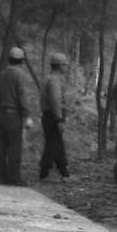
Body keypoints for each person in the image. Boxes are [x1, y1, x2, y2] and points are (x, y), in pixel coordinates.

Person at [0, 46, 35, 185]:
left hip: (1, 115)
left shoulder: (1, 75)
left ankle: (1, 176)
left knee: (1, 147)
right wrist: (27, 115)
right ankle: (14, 178)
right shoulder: (19, 76)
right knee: (14, 147)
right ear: (21, 61)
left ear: (9, 60)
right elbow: (22, 96)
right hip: (14, 115)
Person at [38, 51, 71, 180]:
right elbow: (55, 100)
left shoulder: (49, 78)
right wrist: (59, 119)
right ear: (59, 66)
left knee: (57, 144)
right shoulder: (54, 80)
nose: (66, 67)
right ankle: (44, 172)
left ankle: (64, 172)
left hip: (49, 115)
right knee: (52, 145)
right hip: (53, 116)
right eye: (64, 65)